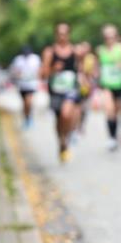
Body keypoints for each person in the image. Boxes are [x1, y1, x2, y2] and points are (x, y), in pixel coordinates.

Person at [41, 23, 80, 163]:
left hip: (71, 89)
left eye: (65, 33)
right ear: (56, 35)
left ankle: (67, 137)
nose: (62, 36)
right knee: (59, 119)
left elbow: (81, 70)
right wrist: (52, 69)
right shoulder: (49, 52)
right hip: (55, 91)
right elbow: (42, 75)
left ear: (69, 34)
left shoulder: (75, 51)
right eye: (60, 34)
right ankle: (62, 141)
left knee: (67, 114)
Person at [97, 25, 121, 152]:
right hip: (106, 85)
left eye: (112, 36)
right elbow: (97, 67)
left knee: (117, 111)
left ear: (116, 36)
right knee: (109, 110)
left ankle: (117, 132)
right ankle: (112, 138)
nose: (109, 39)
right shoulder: (100, 50)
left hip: (120, 84)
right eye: (107, 36)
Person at [10, 45, 41, 129]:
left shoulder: (35, 59)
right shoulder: (18, 59)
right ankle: (26, 118)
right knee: (24, 103)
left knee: (29, 102)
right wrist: (18, 74)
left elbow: (39, 70)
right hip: (22, 85)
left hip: (32, 85)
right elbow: (14, 71)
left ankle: (29, 117)